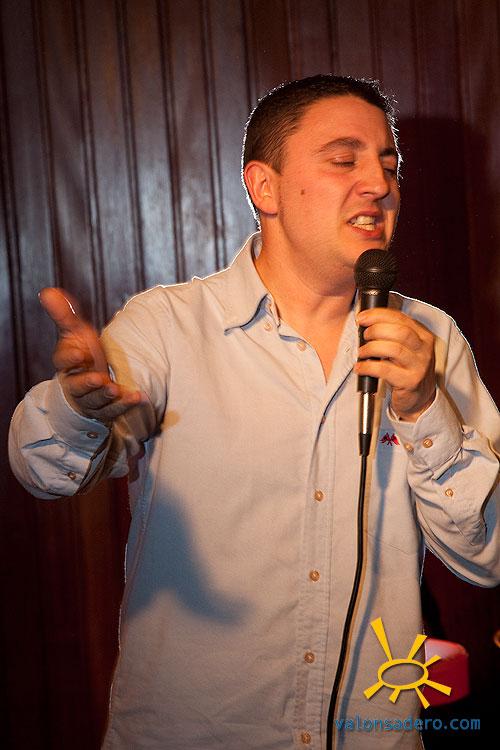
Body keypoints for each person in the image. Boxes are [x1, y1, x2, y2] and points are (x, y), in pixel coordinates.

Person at [8, 75, 499, 749]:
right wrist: (76, 405)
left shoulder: (431, 339)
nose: (378, 185)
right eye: (344, 159)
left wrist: (423, 410)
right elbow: (43, 471)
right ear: (264, 187)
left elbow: (487, 555)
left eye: (390, 166)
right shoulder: (170, 326)